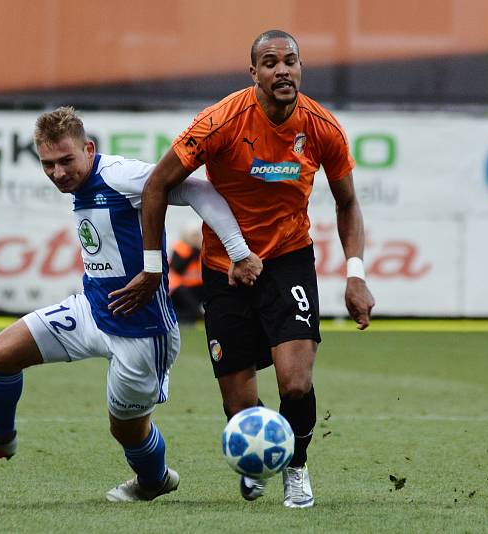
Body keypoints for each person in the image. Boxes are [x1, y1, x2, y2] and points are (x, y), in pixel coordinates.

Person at [0, 107, 260, 502]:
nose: (57, 173)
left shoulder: (121, 176)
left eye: (66, 160)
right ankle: (1, 439)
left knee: (125, 429)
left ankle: (154, 481)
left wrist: (239, 252)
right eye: (48, 164)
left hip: (142, 333)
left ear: (88, 149)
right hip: (92, 309)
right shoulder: (83, 184)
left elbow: (198, 188)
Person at [109, 30, 375, 508]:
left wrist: (355, 273)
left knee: (295, 382)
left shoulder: (321, 128)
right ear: (253, 72)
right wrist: (152, 267)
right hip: (223, 268)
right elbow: (156, 187)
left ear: (300, 67)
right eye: (270, 63)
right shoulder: (219, 122)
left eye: (290, 61)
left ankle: (296, 466)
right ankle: (255, 461)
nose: (282, 70)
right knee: (239, 405)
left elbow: (348, 203)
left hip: (289, 260)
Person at [167, 224, 204, 323]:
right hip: (180, 288)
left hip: (197, 285)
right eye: (193, 236)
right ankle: (198, 315)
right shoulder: (180, 248)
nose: (195, 238)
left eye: (197, 236)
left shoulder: (202, 249)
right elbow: (178, 269)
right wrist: (192, 254)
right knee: (183, 293)